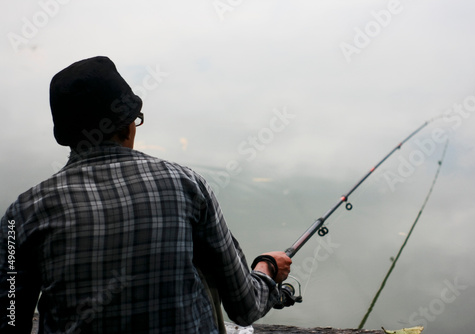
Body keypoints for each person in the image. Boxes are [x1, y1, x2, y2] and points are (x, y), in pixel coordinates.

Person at [0, 56, 292, 334]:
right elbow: (245, 306)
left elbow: (10, 319)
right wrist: (266, 268)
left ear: (65, 136)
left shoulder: (22, 214)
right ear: (129, 126)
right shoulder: (188, 184)